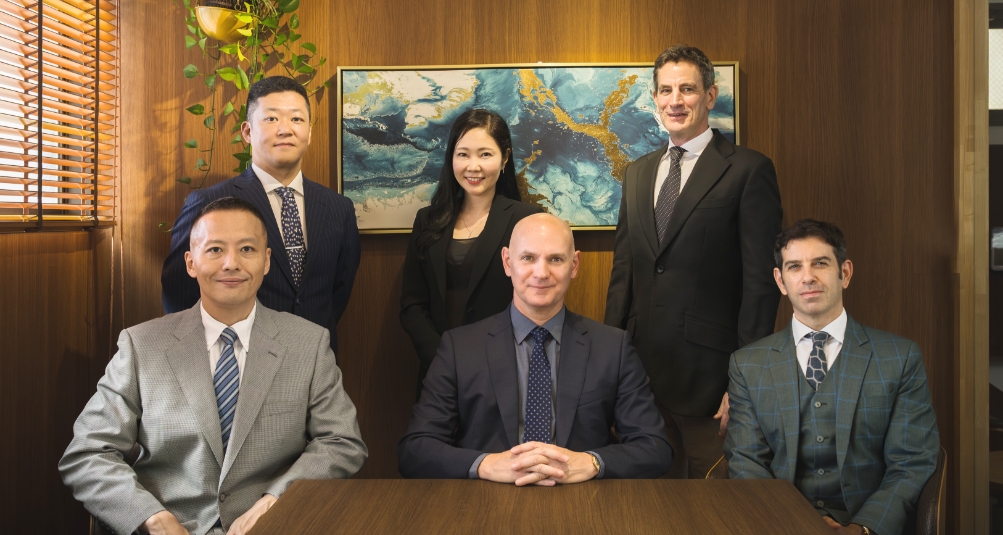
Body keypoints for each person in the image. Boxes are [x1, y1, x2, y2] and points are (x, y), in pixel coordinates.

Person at [60, 198, 368, 535]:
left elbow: (341, 442)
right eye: (215, 250)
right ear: (191, 263)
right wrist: (152, 518)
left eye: (247, 249)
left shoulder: (308, 343)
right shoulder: (141, 345)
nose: (231, 263)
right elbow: (88, 453)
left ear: (266, 261)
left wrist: (277, 500)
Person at [604, 44, 783, 478]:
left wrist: (744, 383)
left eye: (687, 89)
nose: (675, 100)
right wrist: (607, 367)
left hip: (712, 385)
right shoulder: (637, 172)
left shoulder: (748, 170)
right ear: (654, 99)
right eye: (665, 90)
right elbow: (623, 274)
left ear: (710, 95)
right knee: (648, 507)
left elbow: (761, 284)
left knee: (715, 508)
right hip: (640, 381)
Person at [398, 213, 672, 483]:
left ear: (574, 265)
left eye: (555, 259)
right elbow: (415, 450)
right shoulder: (460, 348)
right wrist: (485, 465)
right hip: (486, 503)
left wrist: (591, 462)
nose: (541, 273)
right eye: (528, 258)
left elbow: (655, 447)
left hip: (583, 503)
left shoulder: (613, 347)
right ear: (507, 262)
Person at [725, 219, 939, 535]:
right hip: (778, 525)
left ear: (845, 273)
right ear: (781, 281)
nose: (807, 277)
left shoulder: (900, 357)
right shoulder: (747, 365)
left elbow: (912, 463)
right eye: (794, 267)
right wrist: (788, 524)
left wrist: (863, 528)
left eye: (820, 263)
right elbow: (745, 461)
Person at [162, 75, 360, 353]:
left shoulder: (339, 209)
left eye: (297, 119)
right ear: (247, 132)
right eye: (271, 119)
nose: (285, 130)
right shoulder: (208, 203)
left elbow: (338, 292)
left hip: (314, 359)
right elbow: (179, 294)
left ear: (310, 132)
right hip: (235, 359)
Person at [400, 109, 542, 399]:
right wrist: (442, 357)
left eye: (485, 155)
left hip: (507, 371)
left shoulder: (527, 220)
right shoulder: (427, 220)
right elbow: (412, 305)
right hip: (439, 372)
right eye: (463, 154)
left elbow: (538, 300)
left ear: (504, 158)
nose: (473, 166)